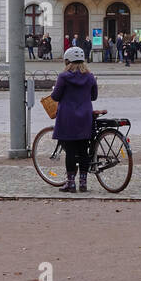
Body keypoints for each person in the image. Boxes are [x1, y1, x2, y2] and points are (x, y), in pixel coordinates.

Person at [50, 45, 99, 193]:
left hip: (67, 117)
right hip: (85, 117)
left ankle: (71, 184)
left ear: (68, 62)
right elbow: (94, 96)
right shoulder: (90, 76)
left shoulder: (63, 77)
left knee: (70, 151)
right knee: (84, 150)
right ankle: (83, 183)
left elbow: (55, 96)